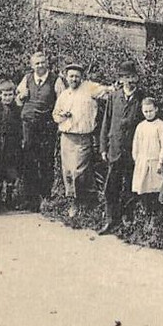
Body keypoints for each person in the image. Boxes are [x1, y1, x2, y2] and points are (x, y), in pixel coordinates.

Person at [52, 62, 113, 217]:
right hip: (66, 137)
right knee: (67, 171)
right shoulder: (64, 95)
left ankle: (84, 201)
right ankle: (73, 202)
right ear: (66, 77)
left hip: (83, 137)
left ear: (82, 77)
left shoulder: (89, 88)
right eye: (71, 76)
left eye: (77, 76)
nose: (74, 79)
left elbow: (106, 91)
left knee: (79, 170)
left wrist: (116, 86)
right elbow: (55, 115)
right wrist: (62, 115)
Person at [99, 60, 145, 235]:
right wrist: (103, 147)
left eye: (132, 77)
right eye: (126, 77)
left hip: (133, 151)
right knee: (111, 186)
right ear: (121, 79)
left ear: (137, 78)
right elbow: (106, 123)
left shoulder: (141, 98)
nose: (130, 80)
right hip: (115, 149)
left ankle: (127, 219)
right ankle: (111, 220)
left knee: (129, 186)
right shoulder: (114, 97)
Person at [16, 51, 63, 209]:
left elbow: (62, 101)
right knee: (29, 159)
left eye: (42, 62)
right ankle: (29, 197)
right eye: (37, 63)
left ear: (47, 63)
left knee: (45, 159)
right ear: (32, 65)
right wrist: (21, 97)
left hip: (46, 125)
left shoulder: (55, 80)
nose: (40, 66)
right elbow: (17, 99)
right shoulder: (27, 78)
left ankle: (45, 196)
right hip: (29, 123)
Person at [131, 98, 163, 216]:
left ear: (156, 109)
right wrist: (136, 158)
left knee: (156, 187)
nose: (148, 114)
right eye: (146, 111)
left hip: (155, 162)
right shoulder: (140, 126)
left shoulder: (160, 125)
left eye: (150, 111)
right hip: (143, 161)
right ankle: (146, 211)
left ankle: (157, 214)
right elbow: (136, 143)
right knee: (143, 187)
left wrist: (161, 160)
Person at [0, 79, 23, 210]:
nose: (7, 98)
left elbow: (20, 127)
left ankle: (8, 198)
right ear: (0, 95)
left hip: (12, 144)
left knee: (11, 171)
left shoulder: (17, 110)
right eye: (5, 95)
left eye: (10, 95)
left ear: (14, 95)